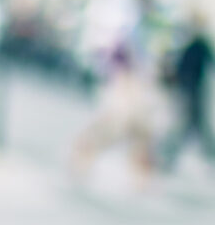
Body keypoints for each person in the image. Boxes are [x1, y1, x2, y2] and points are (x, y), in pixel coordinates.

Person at [68, 39, 158, 185]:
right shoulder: (127, 76)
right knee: (107, 135)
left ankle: (81, 161)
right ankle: (81, 161)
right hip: (124, 111)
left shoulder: (129, 75)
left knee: (138, 140)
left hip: (127, 111)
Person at [160, 15, 215, 172]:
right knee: (191, 127)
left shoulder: (199, 45)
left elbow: (214, 65)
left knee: (194, 128)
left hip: (195, 94)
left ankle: (169, 156)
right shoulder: (189, 45)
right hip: (189, 93)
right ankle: (168, 156)